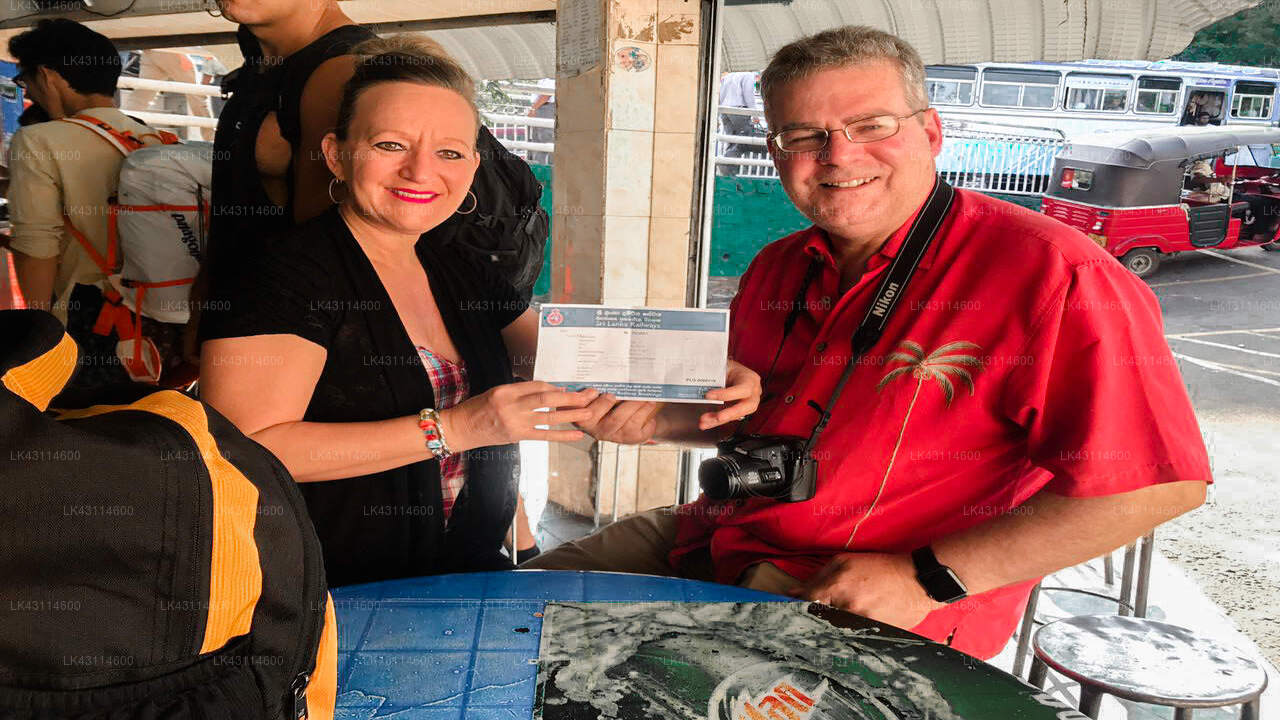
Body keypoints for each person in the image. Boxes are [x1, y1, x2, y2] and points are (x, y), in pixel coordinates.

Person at [527, 25, 1211, 661]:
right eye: (803, 136)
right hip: (714, 539)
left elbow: (1155, 487)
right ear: (776, 152)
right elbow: (762, 425)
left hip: (867, 602)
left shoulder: (1054, 274)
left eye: (870, 126)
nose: (837, 156)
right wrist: (661, 423)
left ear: (932, 131)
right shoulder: (778, 266)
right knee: (503, 609)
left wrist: (928, 578)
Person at [199, 37, 613, 585]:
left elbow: (569, 359)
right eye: (391, 145)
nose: (421, 172)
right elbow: (247, 447)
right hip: (322, 599)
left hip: (463, 581)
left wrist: (691, 376)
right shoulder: (283, 274)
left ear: (471, 166)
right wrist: (459, 427)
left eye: (448, 152)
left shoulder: (457, 267)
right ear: (337, 154)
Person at [5, 19, 182, 405]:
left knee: (78, 433)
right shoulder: (160, 138)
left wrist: (39, 338)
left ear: (48, 76)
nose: (30, 93)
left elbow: (38, 246)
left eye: (27, 81)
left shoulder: (39, 140)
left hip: (90, 324)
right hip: (166, 330)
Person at [717, 71, 763, 176]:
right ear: (758, 77)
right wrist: (754, 113)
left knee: (732, 140)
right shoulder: (749, 76)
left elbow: (720, 94)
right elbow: (748, 95)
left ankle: (727, 169)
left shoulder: (728, 76)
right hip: (739, 110)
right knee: (743, 140)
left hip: (725, 111)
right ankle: (730, 167)